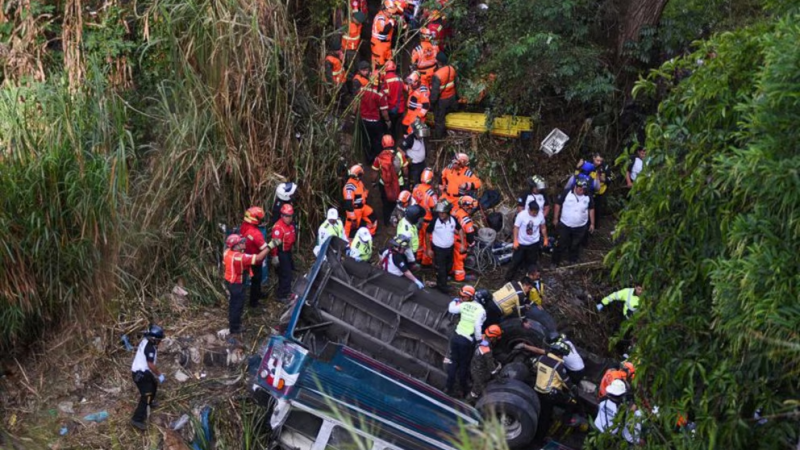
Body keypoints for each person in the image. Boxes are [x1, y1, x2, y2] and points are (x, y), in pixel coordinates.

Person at [224, 233, 278, 333]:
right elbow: (258, 258)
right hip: (236, 283)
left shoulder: (227, 252)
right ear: (236, 246)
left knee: (233, 303)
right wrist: (270, 246)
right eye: (242, 242)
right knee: (237, 305)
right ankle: (235, 328)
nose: (244, 242)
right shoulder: (239, 258)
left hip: (229, 281)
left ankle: (234, 323)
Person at [534, 340, 578, 441]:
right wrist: (574, 389)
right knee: (572, 402)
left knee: (542, 414)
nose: (563, 357)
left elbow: (535, 368)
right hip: (549, 395)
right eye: (562, 355)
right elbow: (566, 383)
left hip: (537, 390)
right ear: (559, 354)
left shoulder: (541, 358)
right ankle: (565, 422)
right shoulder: (558, 366)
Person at [445, 285, 484, 397]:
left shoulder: (463, 305)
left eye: (463, 297)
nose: (461, 298)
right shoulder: (480, 310)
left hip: (456, 338)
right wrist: (479, 340)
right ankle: (463, 389)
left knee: (453, 363)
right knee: (463, 366)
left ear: (469, 297)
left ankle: (448, 387)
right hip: (466, 341)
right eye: (460, 296)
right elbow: (478, 326)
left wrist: (454, 301)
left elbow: (451, 309)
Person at [551, 177, 594, 266]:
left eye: (584, 189)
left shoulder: (588, 196)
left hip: (580, 226)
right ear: (575, 186)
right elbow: (558, 204)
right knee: (560, 243)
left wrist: (592, 223)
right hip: (565, 224)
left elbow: (591, 209)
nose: (582, 191)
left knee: (576, 244)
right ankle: (555, 262)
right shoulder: (567, 193)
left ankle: (572, 260)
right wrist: (555, 218)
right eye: (580, 188)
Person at [130, 324, 166, 430]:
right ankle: (136, 419)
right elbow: (151, 365)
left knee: (153, 384)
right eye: (159, 340)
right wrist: (159, 375)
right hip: (140, 373)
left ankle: (150, 402)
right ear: (154, 339)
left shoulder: (146, 342)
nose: (160, 342)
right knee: (146, 395)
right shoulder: (150, 347)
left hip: (144, 370)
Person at [399, 72, 430, 182]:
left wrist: (419, 117)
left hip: (416, 118)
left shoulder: (423, 91)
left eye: (412, 82)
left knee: (413, 136)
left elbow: (426, 106)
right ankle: (408, 147)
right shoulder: (412, 87)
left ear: (417, 82)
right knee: (404, 128)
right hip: (410, 115)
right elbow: (405, 86)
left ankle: (412, 152)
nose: (410, 84)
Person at [426, 200, 463, 293]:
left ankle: (443, 279)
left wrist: (462, 243)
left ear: (448, 212)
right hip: (438, 249)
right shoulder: (435, 220)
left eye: (443, 213)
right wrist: (429, 248)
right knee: (440, 268)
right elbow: (427, 233)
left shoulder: (453, 220)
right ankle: (442, 286)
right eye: (439, 213)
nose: (441, 215)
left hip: (449, 248)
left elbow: (460, 229)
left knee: (449, 266)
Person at [506, 201, 548, 281]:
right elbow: (516, 228)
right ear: (530, 210)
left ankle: (529, 278)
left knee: (532, 262)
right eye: (534, 212)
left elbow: (543, 227)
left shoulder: (540, 215)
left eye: (536, 212)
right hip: (522, 243)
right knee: (515, 262)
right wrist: (515, 240)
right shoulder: (522, 215)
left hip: (534, 243)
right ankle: (508, 278)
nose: (535, 214)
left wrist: (545, 238)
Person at [372, 135, 409, 225]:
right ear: (393, 142)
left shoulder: (379, 157)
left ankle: (387, 222)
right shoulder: (400, 155)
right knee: (399, 202)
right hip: (399, 182)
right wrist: (406, 178)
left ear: (383, 144)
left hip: (384, 183)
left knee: (386, 203)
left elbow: (375, 173)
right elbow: (405, 169)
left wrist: (373, 182)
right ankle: (398, 221)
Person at [594, 379, 643, 444]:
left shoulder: (603, 401)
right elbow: (627, 419)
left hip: (596, 427)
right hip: (609, 436)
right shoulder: (620, 409)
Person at [240, 206, 270, 308]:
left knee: (252, 279)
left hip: (246, 256)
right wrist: (272, 245)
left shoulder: (244, 226)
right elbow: (264, 248)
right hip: (255, 259)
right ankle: (254, 302)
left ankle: (257, 294)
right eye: (259, 218)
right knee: (256, 280)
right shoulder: (256, 234)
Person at [359, 71, 391, 162]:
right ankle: (378, 160)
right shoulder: (380, 93)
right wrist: (388, 121)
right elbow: (384, 112)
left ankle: (368, 159)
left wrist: (354, 115)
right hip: (375, 121)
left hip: (364, 120)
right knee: (377, 141)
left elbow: (355, 104)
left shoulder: (363, 89)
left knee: (366, 140)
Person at [468, 324, 503, 401]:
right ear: (492, 338)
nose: (497, 340)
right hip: (479, 372)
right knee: (477, 388)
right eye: (496, 338)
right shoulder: (487, 350)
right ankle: (470, 400)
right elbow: (490, 366)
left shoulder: (482, 337)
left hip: (473, 364)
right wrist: (497, 377)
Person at [271, 204, 297, 304]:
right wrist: (274, 256)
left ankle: (287, 291)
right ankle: (281, 295)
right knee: (285, 274)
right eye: (287, 216)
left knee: (289, 272)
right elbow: (274, 243)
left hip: (288, 251)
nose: (289, 218)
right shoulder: (278, 228)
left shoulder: (290, 225)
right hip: (281, 253)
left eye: (290, 216)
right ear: (282, 216)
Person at [412, 168, 438, 266]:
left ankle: (418, 257)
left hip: (418, 219)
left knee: (419, 239)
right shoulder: (431, 194)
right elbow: (434, 209)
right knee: (427, 242)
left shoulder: (416, 188)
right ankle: (426, 262)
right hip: (428, 221)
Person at [343, 164, 376, 238]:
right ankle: (348, 244)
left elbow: (364, 193)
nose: (362, 177)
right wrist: (353, 218)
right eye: (361, 175)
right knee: (352, 230)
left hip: (363, 207)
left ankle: (369, 236)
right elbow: (348, 204)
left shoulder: (359, 183)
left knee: (372, 217)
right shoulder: (349, 187)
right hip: (354, 211)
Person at [524, 265, 558, 335]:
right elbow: (524, 299)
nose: (538, 277)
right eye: (537, 276)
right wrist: (535, 305)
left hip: (539, 304)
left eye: (539, 275)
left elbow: (540, 291)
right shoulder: (526, 285)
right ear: (531, 275)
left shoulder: (539, 280)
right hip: (531, 307)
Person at [430, 52, 457, 139]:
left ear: (438, 62)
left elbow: (435, 93)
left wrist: (431, 103)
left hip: (442, 101)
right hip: (452, 97)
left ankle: (439, 138)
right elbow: (455, 83)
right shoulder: (452, 69)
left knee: (439, 120)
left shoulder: (437, 75)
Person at [451, 195, 477, 282]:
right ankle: (459, 277)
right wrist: (471, 244)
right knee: (459, 259)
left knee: (452, 257)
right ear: (466, 206)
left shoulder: (455, 211)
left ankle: (451, 271)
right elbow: (470, 235)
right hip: (459, 241)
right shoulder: (466, 220)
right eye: (471, 208)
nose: (471, 210)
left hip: (451, 238)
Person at [382, 61, 406, 140]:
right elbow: (406, 89)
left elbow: (384, 96)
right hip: (400, 108)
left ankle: (390, 142)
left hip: (390, 109)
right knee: (397, 127)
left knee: (389, 128)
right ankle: (396, 141)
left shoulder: (385, 80)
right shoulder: (399, 79)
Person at [371, 0, 397, 69]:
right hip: (379, 45)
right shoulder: (380, 17)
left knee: (388, 65)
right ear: (385, 9)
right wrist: (391, 22)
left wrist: (393, 47)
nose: (391, 14)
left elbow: (392, 34)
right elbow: (384, 31)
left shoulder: (389, 18)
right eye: (390, 13)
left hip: (387, 46)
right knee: (379, 66)